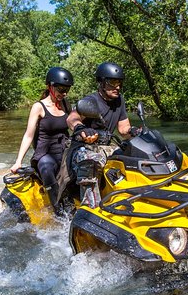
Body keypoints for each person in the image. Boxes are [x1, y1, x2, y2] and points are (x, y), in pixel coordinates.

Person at [63, 62, 140, 208]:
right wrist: (80, 128)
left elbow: (123, 129)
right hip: (83, 148)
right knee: (91, 160)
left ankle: (130, 200)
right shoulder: (91, 101)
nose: (117, 86)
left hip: (106, 146)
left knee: (132, 156)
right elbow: (71, 118)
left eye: (119, 83)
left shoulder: (119, 101)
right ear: (102, 83)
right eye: (112, 82)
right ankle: (89, 208)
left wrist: (134, 131)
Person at [10, 67, 74, 214]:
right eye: (60, 89)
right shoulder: (38, 107)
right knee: (46, 166)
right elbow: (28, 135)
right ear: (49, 86)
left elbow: (74, 124)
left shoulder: (66, 104)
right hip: (45, 155)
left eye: (67, 90)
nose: (63, 93)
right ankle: (58, 210)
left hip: (64, 151)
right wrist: (18, 161)